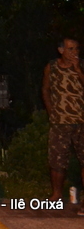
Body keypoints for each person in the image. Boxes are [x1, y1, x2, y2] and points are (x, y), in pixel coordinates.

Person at [42, 36, 84, 208]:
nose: (74, 52)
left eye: (76, 49)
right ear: (61, 50)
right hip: (60, 121)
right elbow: (45, 89)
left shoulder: (81, 65)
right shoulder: (52, 67)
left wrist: (78, 70)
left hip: (81, 121)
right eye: (70, 49)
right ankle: (56, 194)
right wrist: (51, 111)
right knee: (57, 159)